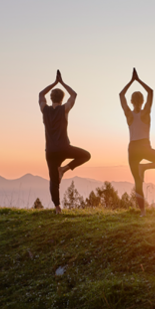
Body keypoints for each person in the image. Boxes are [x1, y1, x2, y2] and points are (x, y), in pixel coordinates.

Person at [120, 68, 155, 216]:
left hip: (132, 149)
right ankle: (145, 167)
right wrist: (138, 80)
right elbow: (150, 92)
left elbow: (121, 95)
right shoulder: (146, 113)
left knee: (137, 183)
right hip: (145, 147)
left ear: (131, 101)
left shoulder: (129, 115)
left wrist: (131, 81)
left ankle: (143, 212)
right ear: (143, 101)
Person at [39, 70, 91, 213]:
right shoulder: (64, 109)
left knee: (53, 180)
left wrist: (54, 83)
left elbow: (40, 94)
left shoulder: (45, 110)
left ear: (51, 98)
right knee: (86, 155)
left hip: (50, 151)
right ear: (62, 99)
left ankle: (57, 208)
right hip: (64, 148)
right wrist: (62, 82)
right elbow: (74, 95)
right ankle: (64, 169)